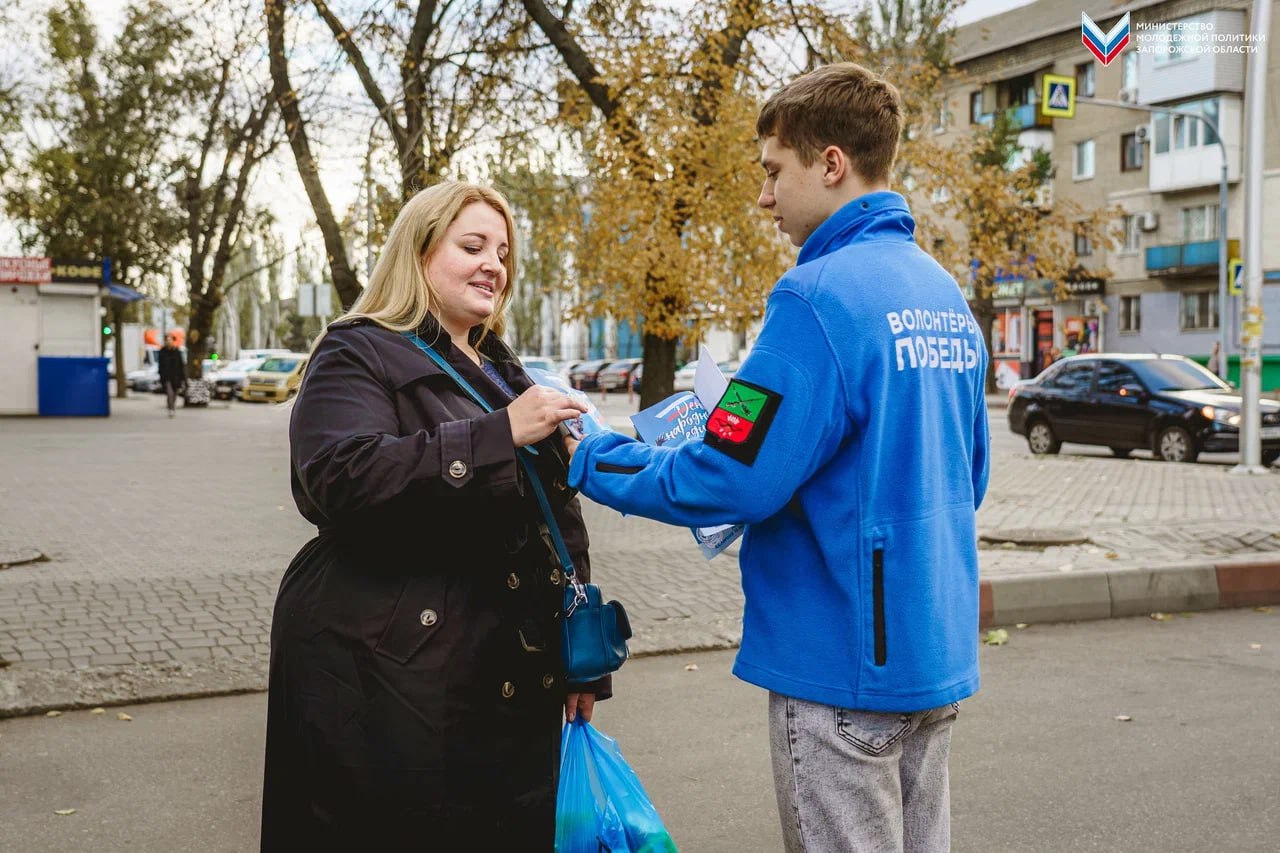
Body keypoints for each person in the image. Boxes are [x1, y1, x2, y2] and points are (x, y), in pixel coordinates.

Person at [566, 63, 989, 852]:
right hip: (931, 654)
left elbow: (730, 472)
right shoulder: (943, 295)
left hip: (839, 662)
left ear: (831, 164)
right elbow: (970, 475)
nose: (764, 197)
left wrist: (596, 458)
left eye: (772, 172)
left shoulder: (815, 297)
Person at [260, 181, 604, 850]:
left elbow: (554, 520)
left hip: (510, 673)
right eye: (472, 246)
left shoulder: (502, 369)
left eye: (503, 253)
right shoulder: (357, 349)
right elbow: (336, 478)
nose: (493, 266)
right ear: (418, 254)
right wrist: (498, 434)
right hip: (393, 675)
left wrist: (580, 653)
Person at [157, 334, 185, 418]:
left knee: (175, 393)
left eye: (170, 340)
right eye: (167, 340)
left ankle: (172, 406)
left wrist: (183, 377)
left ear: (173, 341)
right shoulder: (162, 351)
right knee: (170, 393)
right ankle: (171, 409)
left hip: (176, 377)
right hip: (167, 377)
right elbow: (160, 365)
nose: (169, 341)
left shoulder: (177, 351)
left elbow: (181, 365)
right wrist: (161, 375)